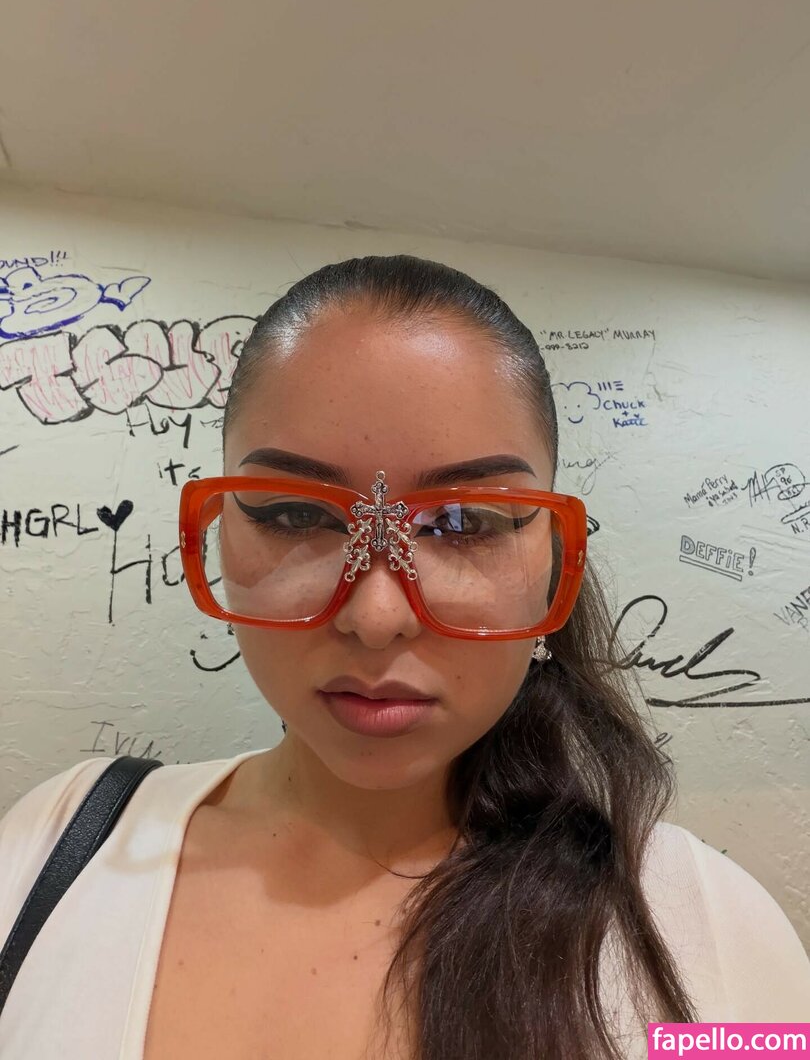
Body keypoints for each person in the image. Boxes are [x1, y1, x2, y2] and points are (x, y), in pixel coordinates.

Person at [1, 254, 808, 1060]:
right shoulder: (59, 845)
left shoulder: (711, 936)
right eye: (294, 513)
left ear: (554, 563)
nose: (376, 617)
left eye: (463, 523)